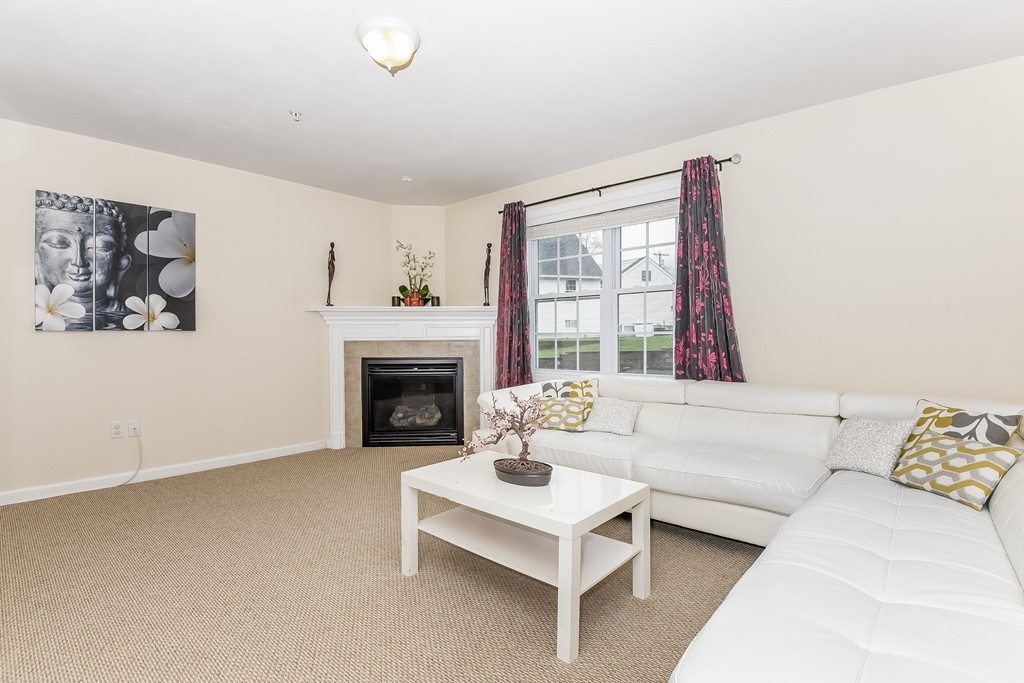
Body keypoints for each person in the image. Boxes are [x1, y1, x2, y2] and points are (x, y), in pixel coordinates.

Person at [35, 191, 131, 330]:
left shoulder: (130, 321)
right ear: (36, 256)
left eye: (99, 246)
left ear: (122, 262)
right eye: (58, 243)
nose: (79, 261)